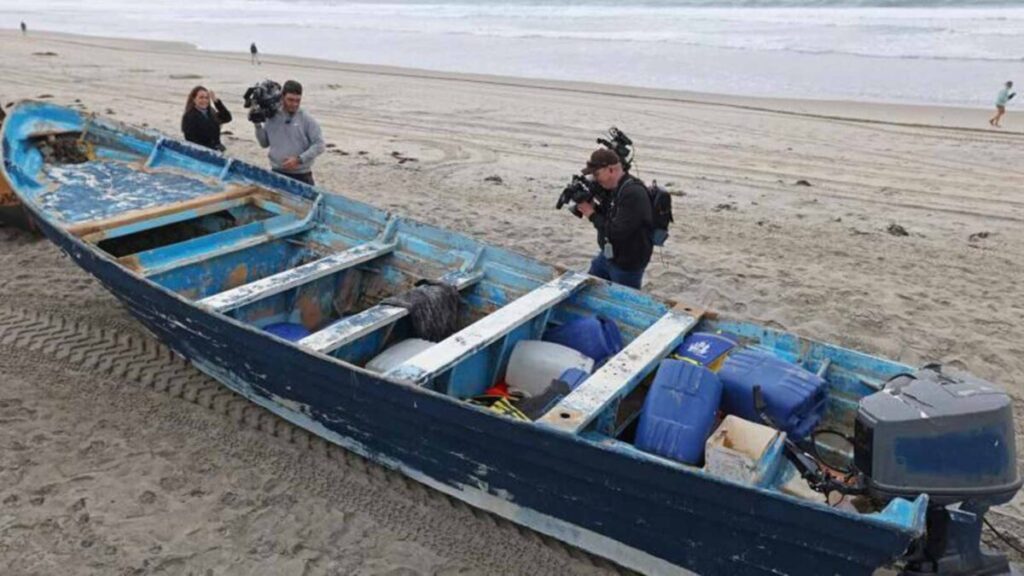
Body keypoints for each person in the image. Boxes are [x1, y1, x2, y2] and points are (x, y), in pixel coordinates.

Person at [575, 149, 653, 290]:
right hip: (608, 255)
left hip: (627, 263)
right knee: (590, 288)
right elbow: (610, 217)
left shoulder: (633, 193)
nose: (595, 178)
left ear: (610, 170)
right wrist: (595, 208)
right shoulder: (613, 188)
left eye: (597, 174)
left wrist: (591, 213)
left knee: (625, 303)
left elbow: (617, 232)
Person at [254, 80, 325, 185]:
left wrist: (299, 159)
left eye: (298, 100)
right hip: (276, 172)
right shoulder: (271, 116)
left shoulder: (306, 119)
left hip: (301, 176)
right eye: (290, 100)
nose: (294, 104)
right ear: (282, 97)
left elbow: (320, 145)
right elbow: (264, 143)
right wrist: (257, 124)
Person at [180, 85, 232, 152]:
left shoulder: (211, 112)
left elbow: (227, 117)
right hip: (203, 152)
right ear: (194, 99)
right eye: (201, 97)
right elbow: (190, 140)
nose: (204, 100)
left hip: (218, 150)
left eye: (207, 98)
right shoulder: (189, 116)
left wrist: (216, 101)